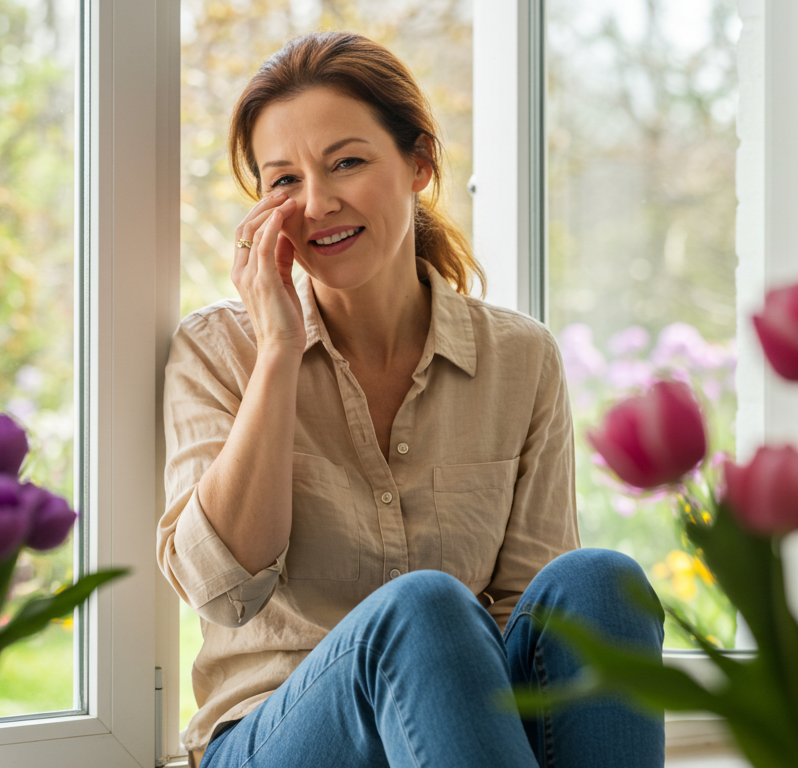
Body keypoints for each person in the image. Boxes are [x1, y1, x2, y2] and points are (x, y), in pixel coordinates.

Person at [158, 31, 664, 768]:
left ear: (419, 164)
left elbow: (531, 617)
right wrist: (277, 351)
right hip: (276, 737)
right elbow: (221, 590)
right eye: (283, 181)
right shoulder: (217, 350)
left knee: (600, 581)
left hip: (459, 736)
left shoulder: (520, 358)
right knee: (422, 607)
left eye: (347, 163)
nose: (318, 203)